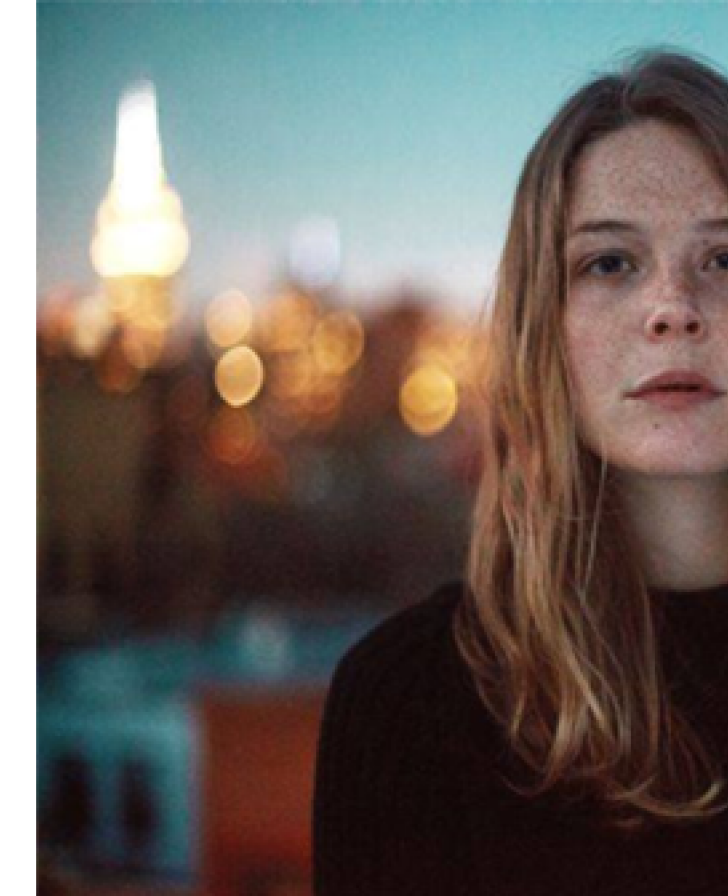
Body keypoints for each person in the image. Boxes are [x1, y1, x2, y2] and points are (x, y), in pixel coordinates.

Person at [314, 49, 728, 895]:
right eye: (610, 263)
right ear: (543, 326)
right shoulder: (410, 707)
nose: (673, 309)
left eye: (725, 259)